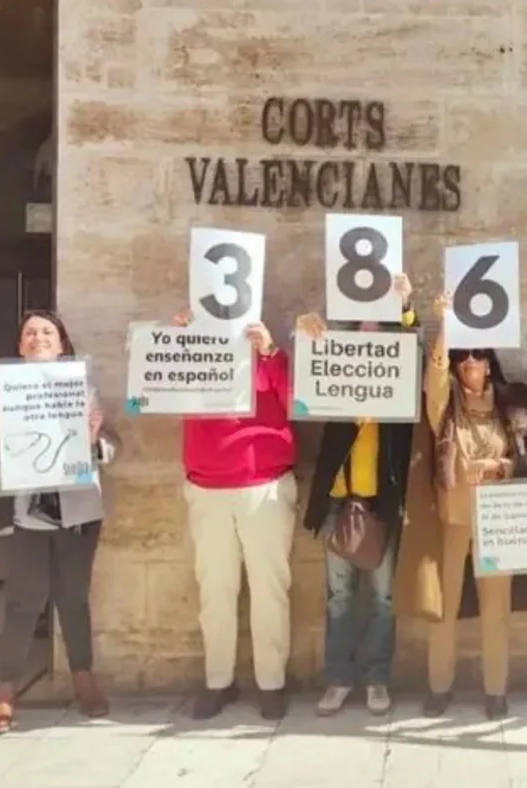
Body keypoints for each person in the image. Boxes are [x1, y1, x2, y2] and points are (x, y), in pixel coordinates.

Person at [0, 310, 115, 734]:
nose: (38, 338)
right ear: (19, 345)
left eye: (47, 332)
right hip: (25, 516)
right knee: (23, 602)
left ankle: (83, 678)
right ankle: (6, 690)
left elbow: (111, 448)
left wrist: (94, 440)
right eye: (29, 332)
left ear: (62, 344)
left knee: (74, 599)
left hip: (78, 513)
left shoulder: (83, 389)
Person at [400, 291, 527, 721]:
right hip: (453, 519)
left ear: (490, 363)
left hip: (498, 523)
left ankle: (495, 690)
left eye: (478, 355)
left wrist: (496, 466)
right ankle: (439, 687)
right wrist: (446, 321)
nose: (470, 362)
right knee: (444, 607)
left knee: (496, 610)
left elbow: (521, 462)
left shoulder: (509, 408)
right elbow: (434, 375)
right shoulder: (446, 407)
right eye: (464, 356)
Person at [299, 274, 419, 716]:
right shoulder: (338, 344)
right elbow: (312, 365)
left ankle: (377, 678)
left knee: (383, 596)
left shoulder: (400, 350)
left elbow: (416, 347)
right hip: (338, 501)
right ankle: (338, 677)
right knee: (340, 596)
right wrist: (309, 328)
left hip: (379, 502)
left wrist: (406, 306)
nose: (368, 333)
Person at [171, 310, 297, 721]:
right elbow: (160, 390)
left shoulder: (264, 350)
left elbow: (298, 400)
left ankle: (272, 682)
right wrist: (172, 343)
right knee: (215, 589)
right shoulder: (190, 341)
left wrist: (271, 352)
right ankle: (218, 680)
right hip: (208, 485)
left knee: (269, 588)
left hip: (264, 482)